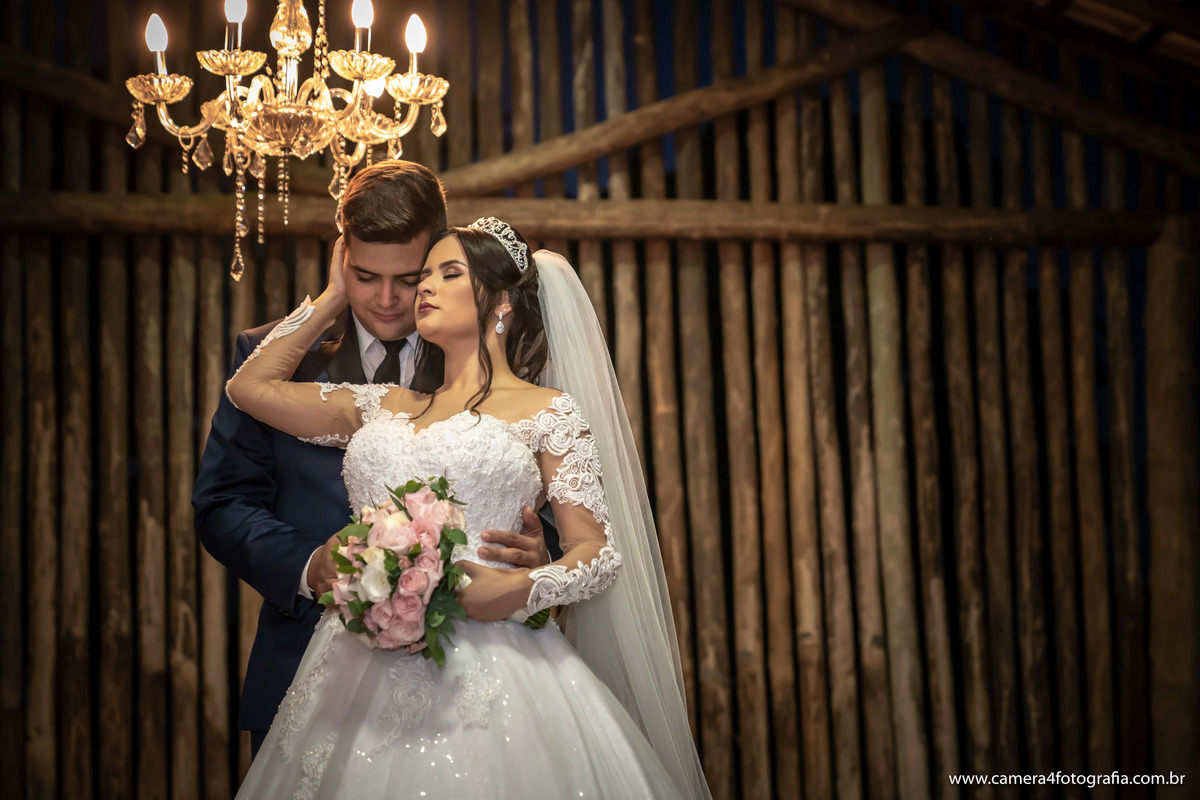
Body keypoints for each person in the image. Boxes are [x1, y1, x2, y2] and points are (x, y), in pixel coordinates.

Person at [224, 218, 711, 798]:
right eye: (423, 275)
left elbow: (597, 553)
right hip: (353, 661)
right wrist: (332, 298)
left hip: (496, 666)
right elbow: (248, 387)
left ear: (499, 301)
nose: (422, 287)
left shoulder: (547, 413)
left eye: (448, 273)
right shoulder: (384, 405)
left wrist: (518, 588)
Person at [193, 161, 548, 758]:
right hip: (303, 670)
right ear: (341, 256)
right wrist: (310, 566)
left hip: (470, 685)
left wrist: (542, 557)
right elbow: (221, 505)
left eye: (408, 279)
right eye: (362, 276)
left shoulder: (493, 363)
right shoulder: (271, 357)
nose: (385, 300)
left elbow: (557, 503)